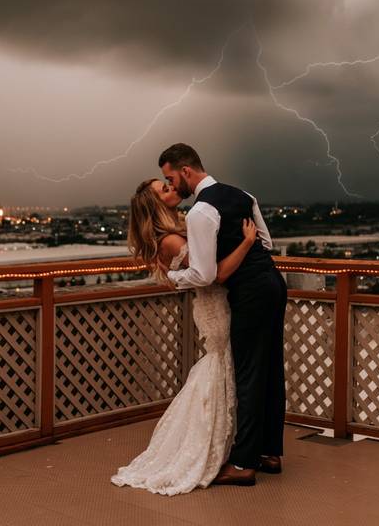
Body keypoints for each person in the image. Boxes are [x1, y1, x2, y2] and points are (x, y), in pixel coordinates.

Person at [110, 176, 258, 495]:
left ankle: (231, 442)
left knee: (225, 366)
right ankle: (212, 443)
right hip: (215, 306)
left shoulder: (171, 236)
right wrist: (246, 243)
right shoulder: (172, 242)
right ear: (157, 204)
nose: (172, 188)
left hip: (212, 306)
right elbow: (214, 275)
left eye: (168, 183)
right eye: (165, 189)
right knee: (221, 364)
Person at [160, 143, 287, 487]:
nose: (172, 186)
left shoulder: (201, 212)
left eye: (171, 178)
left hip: (250, 292)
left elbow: (203, 274)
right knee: (272, 367)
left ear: (186, 171)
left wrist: (173, 277)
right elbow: (267, 242)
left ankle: (245, 462)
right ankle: (270, 452)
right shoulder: (243, 194)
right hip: (274, 282)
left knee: (247, 373)